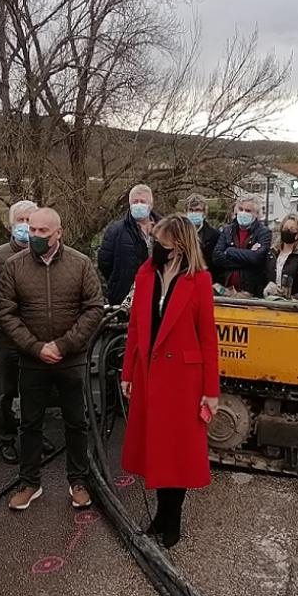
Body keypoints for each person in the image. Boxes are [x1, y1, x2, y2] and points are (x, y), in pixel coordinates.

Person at [120, 214, 220, 548]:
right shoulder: (146, 274)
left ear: (177, 245)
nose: (154, 245)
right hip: (150, 376)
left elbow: (208, 338)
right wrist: (128, 373)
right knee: (157, 449)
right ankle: (162, 516)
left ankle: (171, 517)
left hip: (183, 381)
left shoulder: (199, 281)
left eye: (160, 241)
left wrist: (211, 391)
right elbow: (134, 328)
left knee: (177, 452)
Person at [0, 207, 106, 512]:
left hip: (70, 360)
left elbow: (94, 308)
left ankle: (79, 481)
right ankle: (30, 482)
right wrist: (34, 347)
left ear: (58, 233)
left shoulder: (80, 264)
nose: (35, 236)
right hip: (32, 360)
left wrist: (64, 344)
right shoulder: (14, 266)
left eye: (42, 232)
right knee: (30, 423)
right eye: (31, 230)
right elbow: (5, 313)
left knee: (76, 421)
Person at [0, 199, 54, 465]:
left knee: (36, 390)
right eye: (20, 221)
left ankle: (35, 434)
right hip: (7, 338)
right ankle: (6, 438)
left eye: (30, 221)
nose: (25, 227)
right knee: (4, 391)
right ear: (11, 224)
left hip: (37, 337)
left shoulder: (47, 255)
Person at [98, 184, 159, 305]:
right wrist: (119, 281)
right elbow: (104, 263)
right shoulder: (115, 231)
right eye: (135, 202)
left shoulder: (165, 229)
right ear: (130, 205)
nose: (139, 205)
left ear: (150, 205)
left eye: (143, 201)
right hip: (124, 297)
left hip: (158, 295)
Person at [213, 196, 272, 297]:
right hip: (227, 289)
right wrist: (247, 259)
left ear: (257, 213)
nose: (243, 213)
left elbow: (257, 258)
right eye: (241, 209)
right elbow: (217, 257)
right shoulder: (227, 231)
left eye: (248, 210)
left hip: (251, 291)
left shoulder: (264, 232)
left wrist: (230, 251)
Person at [264, 212, 298, 296]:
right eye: (285, 228)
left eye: (292, 229)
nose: (287, 231)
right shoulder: (272, 253)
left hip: (295, 302)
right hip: (272, 300)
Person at [183, 193, 221, 272]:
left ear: (204, 213)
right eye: (191, 210)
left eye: (197, 210)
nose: (194, 213)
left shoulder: (214, 235)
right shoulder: (178, 233)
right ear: (186, 212)